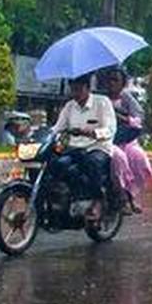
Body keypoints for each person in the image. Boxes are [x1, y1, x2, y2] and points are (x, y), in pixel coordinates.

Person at [49, 74, 115, 222]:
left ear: (88, 88)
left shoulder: (102, 102)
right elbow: (57, 128)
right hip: (75, 148)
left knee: (93, 162)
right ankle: (65, 198)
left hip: (97, 147)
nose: (75, 94)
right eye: (72, 90)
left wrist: (91, 132)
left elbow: (110, 130)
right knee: (57, 163)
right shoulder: (69, 106)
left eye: (78, 90)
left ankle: (98, 200)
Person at [100, 68, 152, 214]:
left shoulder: (127, 99)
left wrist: (122, 118)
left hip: (127, 139)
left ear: (122, 83)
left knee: (138, 157)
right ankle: (121, 195)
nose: (111, 84)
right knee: (118, 158)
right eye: (109, 80)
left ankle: (132, 196)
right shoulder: (101, 100)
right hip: (106, 139)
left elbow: (138, 121)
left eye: (115, 80)